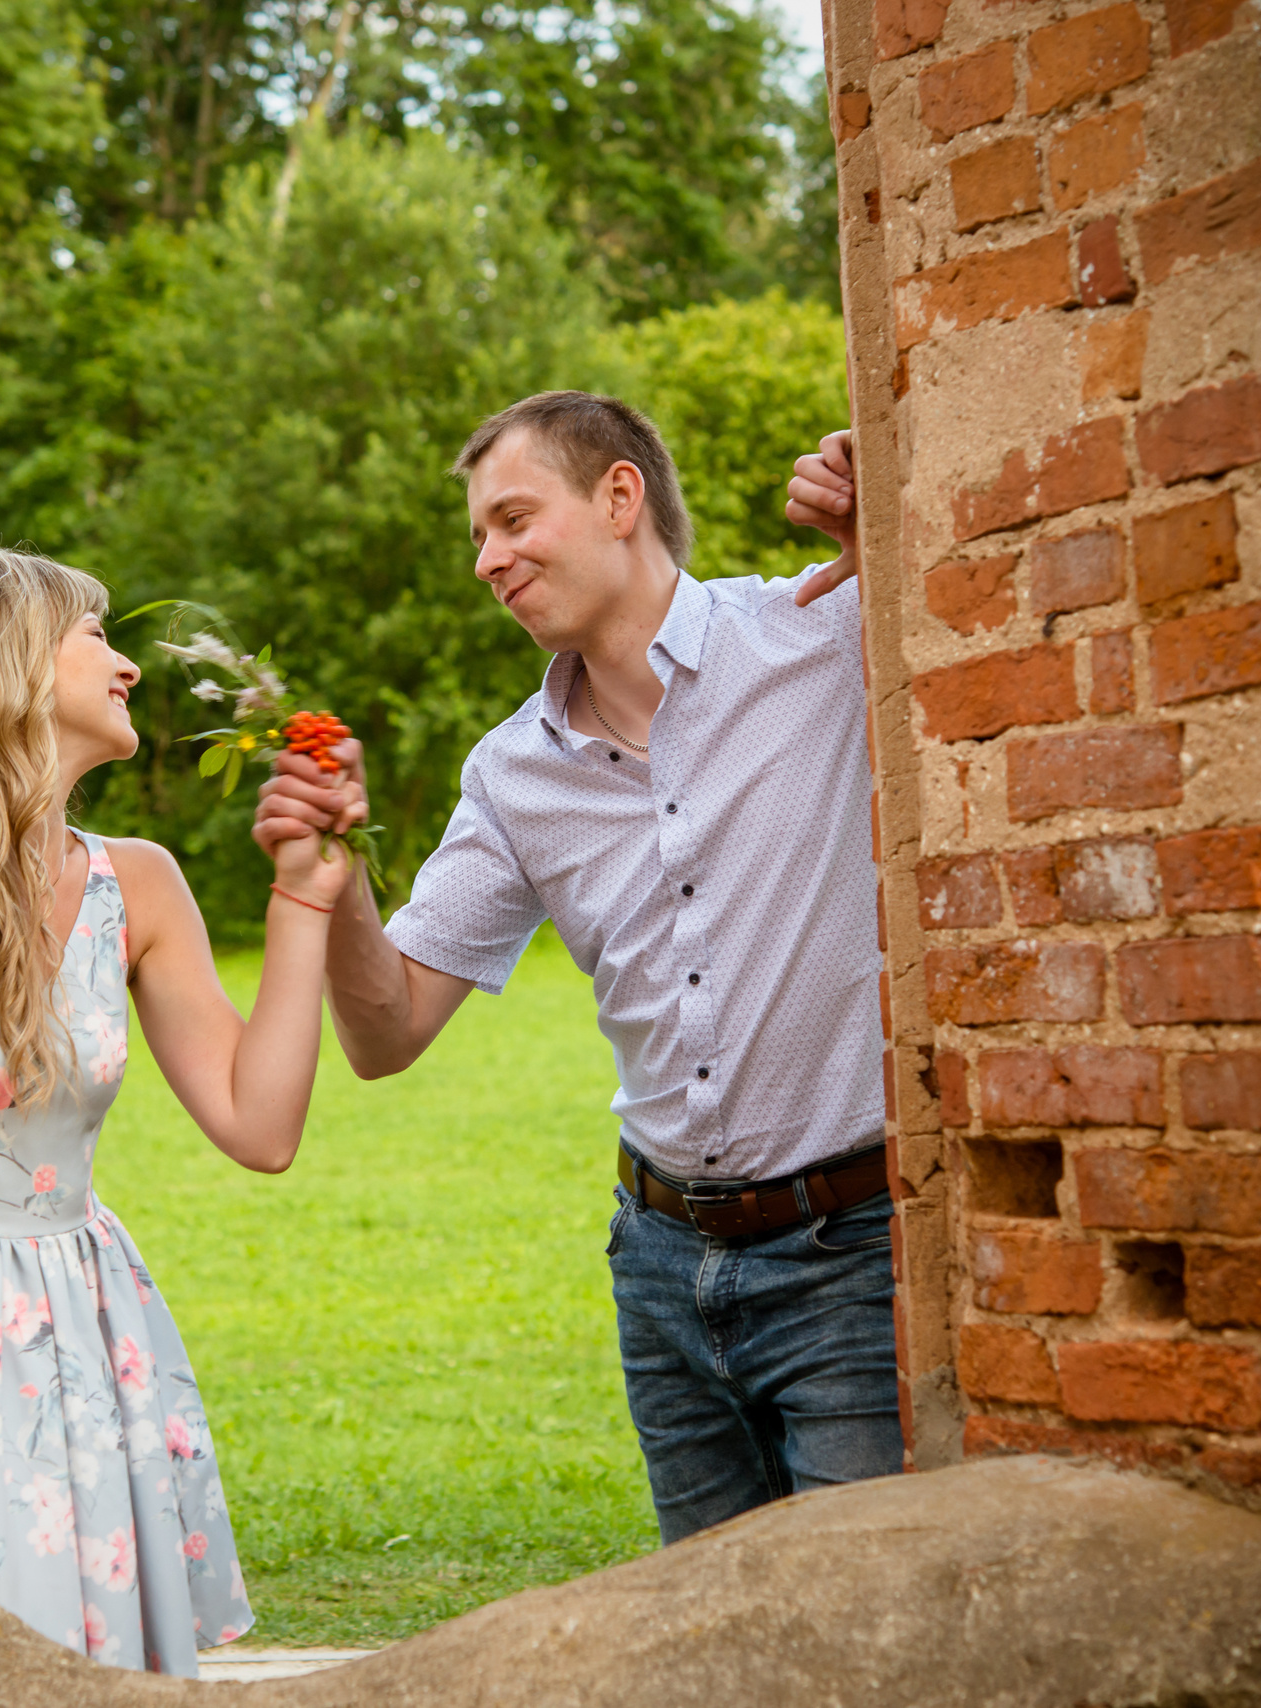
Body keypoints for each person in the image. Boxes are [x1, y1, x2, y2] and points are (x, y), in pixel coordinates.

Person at [252, 394, 888, 1544]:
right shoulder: (510, 775)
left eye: (510, 520)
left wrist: (878, 499)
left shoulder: (822, 639)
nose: (488, 561)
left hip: (851, 1258)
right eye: (479, 541)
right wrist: (337, 880)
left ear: (618, 496)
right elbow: (385, 1032)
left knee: (871, 1627)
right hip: (657, 1266)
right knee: (700, 1640)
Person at [0, 548, 367, 1672]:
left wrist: (303, 895)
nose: (126, 664)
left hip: (85, 1312)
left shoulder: (141, 882)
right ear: (13, 662)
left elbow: (258, 1127)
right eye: (96, 635)